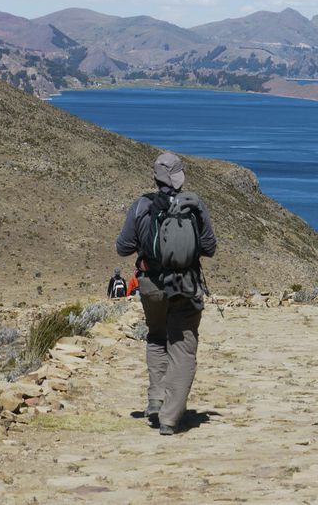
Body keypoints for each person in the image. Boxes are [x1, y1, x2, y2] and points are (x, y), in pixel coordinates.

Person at [116, 152, 217, 435]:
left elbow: (123, 248)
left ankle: (156, 401)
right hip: (185, 285)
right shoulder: (194, 207)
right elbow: (209, 247)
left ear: (155, 176)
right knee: (183, 346)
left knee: (157, 336)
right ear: (180, 177)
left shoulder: (141, 205)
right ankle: (170, 418)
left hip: (150, 284)